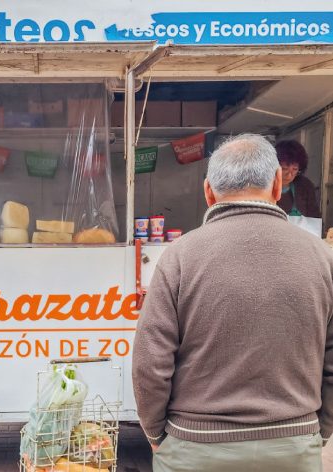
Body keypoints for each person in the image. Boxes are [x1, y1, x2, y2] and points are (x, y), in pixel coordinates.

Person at [132, 134, 333, 471]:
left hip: (194, 448)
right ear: (277, 186)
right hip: (293, 446)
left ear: (208, 192)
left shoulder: (180, 256)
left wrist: (155, 433)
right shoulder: (322, 257)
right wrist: (320, 431)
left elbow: (150, 363)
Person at [275, 140, 320, 217]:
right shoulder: (265, 185)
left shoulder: (305, 185)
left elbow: (314, 216)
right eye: (284, 169)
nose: (289, 175)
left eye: (295, 169)